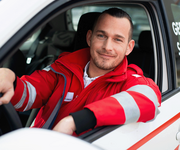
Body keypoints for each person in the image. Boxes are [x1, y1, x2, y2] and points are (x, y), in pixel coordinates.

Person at [0, 8, 161, 136]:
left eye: (117, 39)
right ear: (89, 37)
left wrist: (75, 121)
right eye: (101, 35)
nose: (107, 47)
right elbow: (29, 94)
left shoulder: (131, 80)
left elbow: (149, 100)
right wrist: (11, 81)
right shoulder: (63, 68)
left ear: (129, 47)